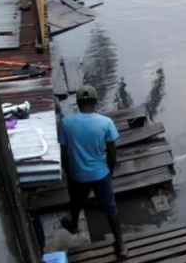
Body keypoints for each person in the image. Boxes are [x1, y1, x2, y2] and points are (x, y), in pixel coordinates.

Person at [59, 85, 127, 257]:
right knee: (111, 208)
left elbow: (64, 153)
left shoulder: (66, 122)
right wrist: (109, 173)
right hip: (100, 174)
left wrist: (68, 171)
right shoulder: (106, 122)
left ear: (78, 103)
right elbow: (112, 153)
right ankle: (121, 245)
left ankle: (73, 224)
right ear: (95, 101)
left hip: (77, 174)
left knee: (75, 202)